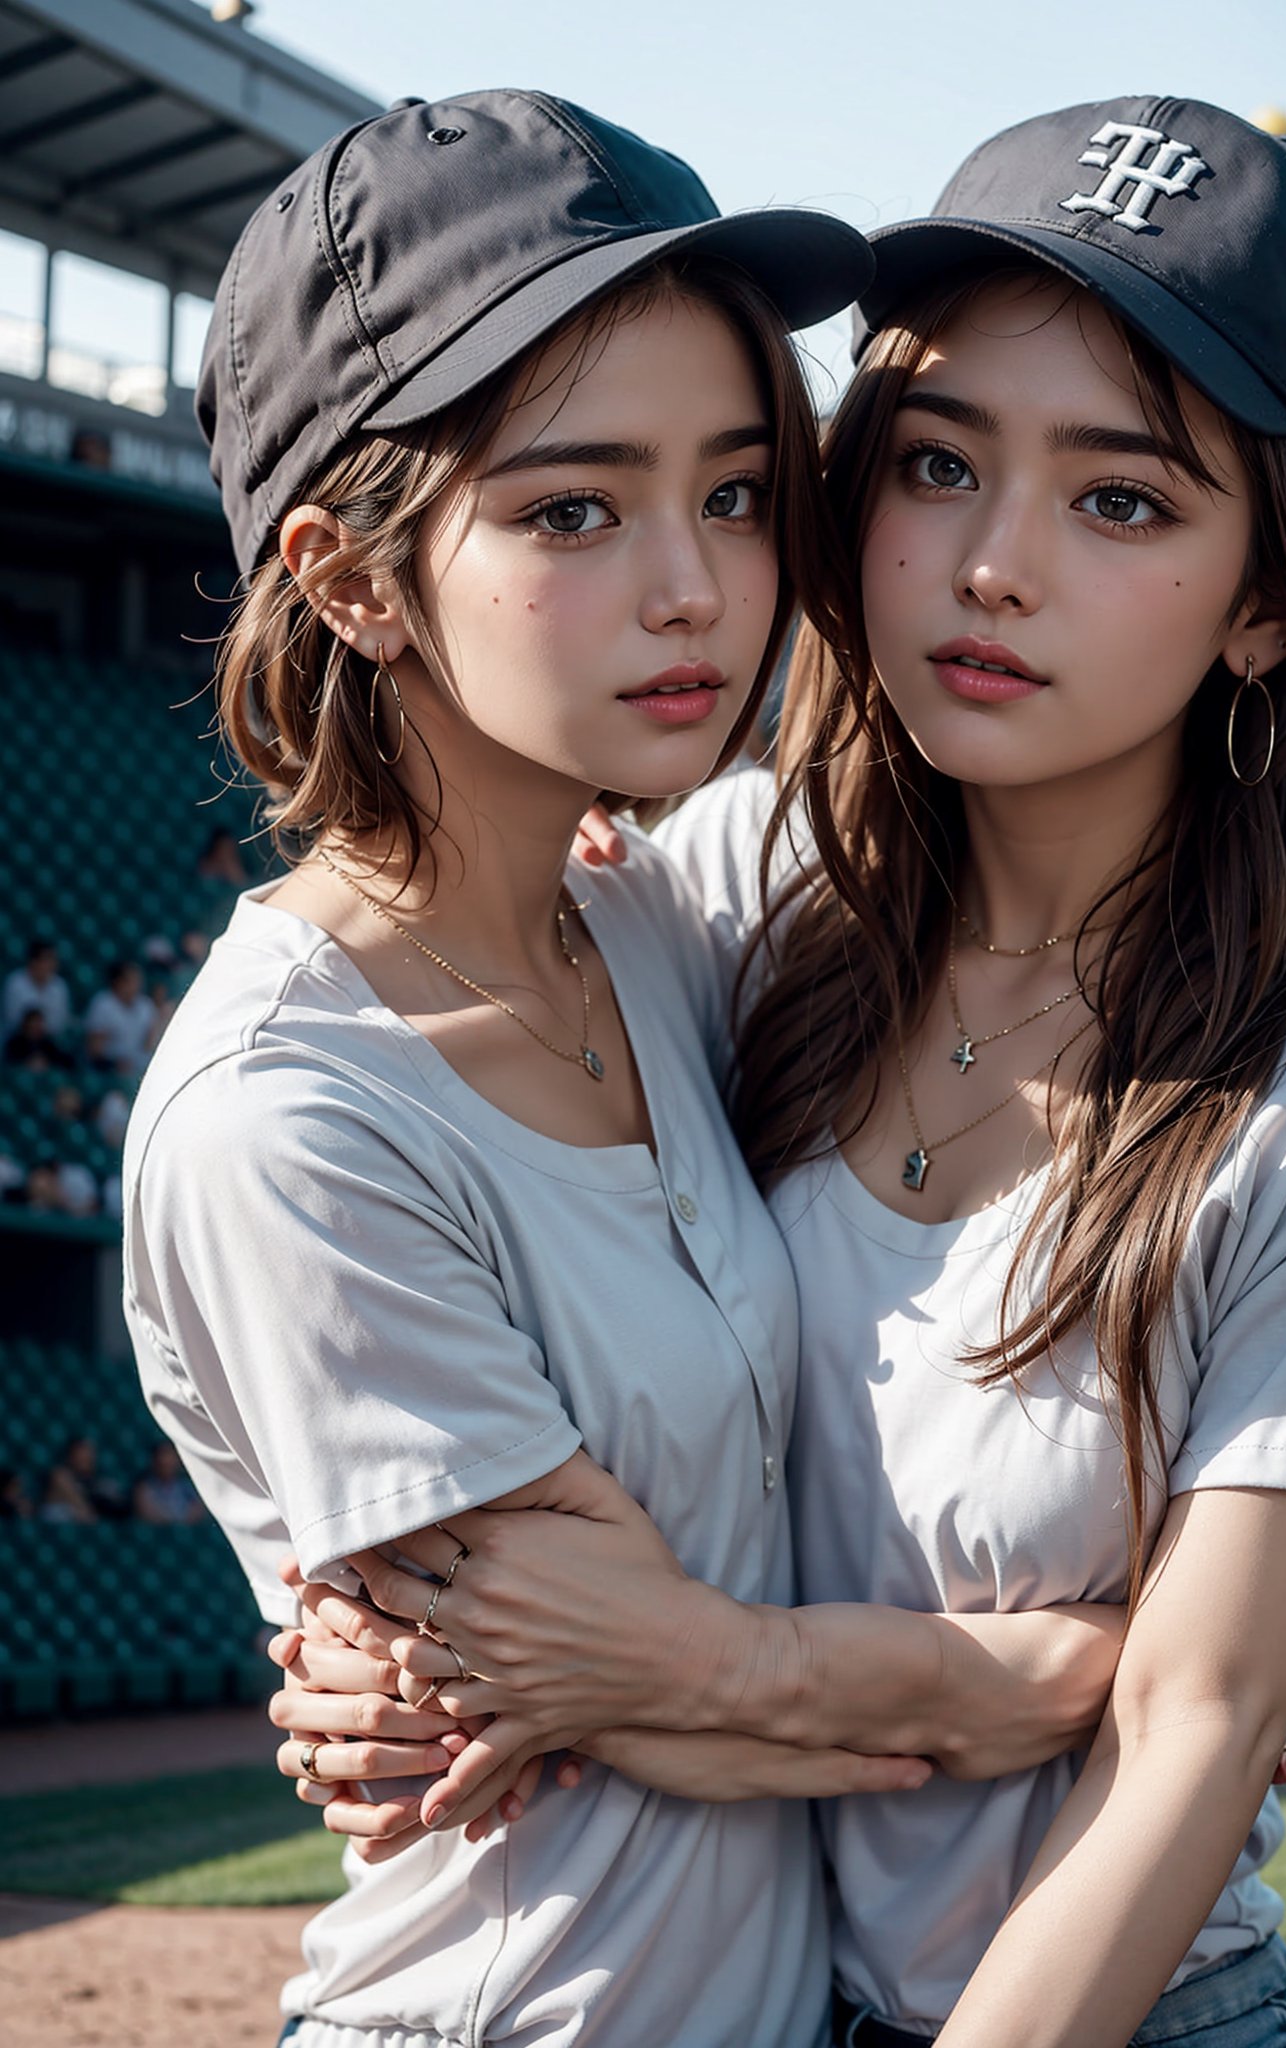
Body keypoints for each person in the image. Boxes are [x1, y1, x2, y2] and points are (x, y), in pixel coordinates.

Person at [277, 97, 1286, 2048]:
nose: (989, 565)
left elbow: (1199, 1728)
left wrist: (709, 1660)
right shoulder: (715, 910)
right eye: (934, 465)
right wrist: (378, 1631)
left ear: (1264, 601)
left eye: (1121, 499)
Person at [120, 86, 1091, 2048]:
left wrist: (747, 1674)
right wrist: (1105, 1680)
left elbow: (701, 1671)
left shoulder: (651, 924)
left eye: (734, 492)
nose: (692, 587)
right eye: (574, 506)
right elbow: (691, 1711)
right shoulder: (287, 1120)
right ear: (351, 576)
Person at [84, 959, 157, 1074]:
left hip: (139, 1065)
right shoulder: (102, 1005)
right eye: (132, 980)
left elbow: (150, 1043)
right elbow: (95, 1050)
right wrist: (114, 1064)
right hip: (110, 1071)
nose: (138, 984)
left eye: (138, 980)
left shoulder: (146, 1005)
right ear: (119, 982)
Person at [3, 938, 70, 1039]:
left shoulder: (59, 986)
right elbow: (13, 1020)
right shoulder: (15, 983)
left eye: (54, 960)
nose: (53, 965)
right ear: (34, 962)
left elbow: (58, 1023)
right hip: (17, 1040)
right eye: (48, 959)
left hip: (48, 1040)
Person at [132, 1440, 204, 1525]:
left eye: (170, 1459)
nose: (166, 1462)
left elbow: (198, 1511)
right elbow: (148, 1512)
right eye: (162, 1461)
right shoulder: (144, 1488)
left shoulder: (187, 1487)